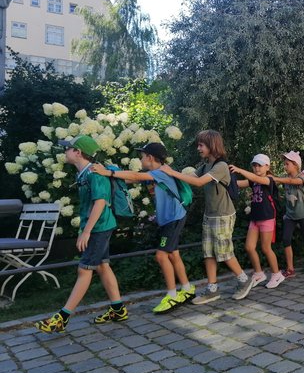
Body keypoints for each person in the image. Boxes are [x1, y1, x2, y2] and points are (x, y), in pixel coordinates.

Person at [35, 135, 127, 333]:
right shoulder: (83, 173)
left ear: (78, 152)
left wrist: (86, 232)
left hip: (99, 227)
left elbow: (100, 203)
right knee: (102, 266)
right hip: (97, 227)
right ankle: (118, 309)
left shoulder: (94, 173)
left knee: (84, 270)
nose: (65, 151)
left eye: (68, 148)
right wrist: (83, 230)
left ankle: (62, 318)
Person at [92, 143, 195, 314]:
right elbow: (131, 178)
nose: (140, 159)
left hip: (173, 219)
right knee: (173, 254)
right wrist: (109, 173)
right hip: (172, 218)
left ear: (150, 158)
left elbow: (134, 176)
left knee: (161, 256)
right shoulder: (156, 173)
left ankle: (171, 295)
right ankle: (187, 288)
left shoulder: (161, 172)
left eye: (142, 156)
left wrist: (107, 172)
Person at [161, 130, 253, 304]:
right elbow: (191, 177)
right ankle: (212, 289)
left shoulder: (221, 166)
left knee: (224, 253)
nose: (198, 148)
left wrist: (172, 172)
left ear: (212, 145)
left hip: (223, 215)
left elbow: (198, 182)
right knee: (208, 252)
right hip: (210, 214)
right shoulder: (206, 165)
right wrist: (167, 175)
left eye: (201, 145)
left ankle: (244, 280)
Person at [229, 154, 285, 289]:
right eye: (254, 165)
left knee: (266, 248)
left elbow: (254, 178)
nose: (256, 168)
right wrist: (221, 179)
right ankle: (259, 273)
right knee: (249, 247)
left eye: (259, 165)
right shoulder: (252, 180)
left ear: (267, 167)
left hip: (267, 217)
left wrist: (240, 170)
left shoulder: (269, 179)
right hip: (255, 218)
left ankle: (277, 274)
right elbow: (237, 184)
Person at [273, 151, 304, 277]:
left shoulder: (302, 177)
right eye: (284, 164)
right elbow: (276, 182)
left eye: (287, 164)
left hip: (303, 214)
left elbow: (292, 181)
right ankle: (290, 269)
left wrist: (277, 179)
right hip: (290, 215)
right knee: (286, 239)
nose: (285, 166)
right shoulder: (285, 177)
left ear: (295, 165)